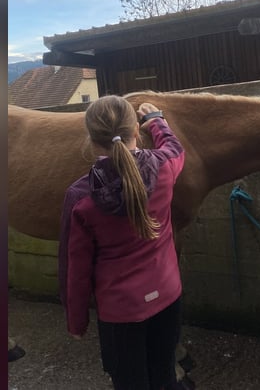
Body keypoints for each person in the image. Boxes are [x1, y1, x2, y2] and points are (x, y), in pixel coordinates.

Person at [58, 95, 186, 390]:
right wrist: (157, 120)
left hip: (121, 313)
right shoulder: (165, 167)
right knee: (165, 374)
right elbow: (175, 148)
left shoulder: (80, 199)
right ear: (135, 132)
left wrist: (76, 321)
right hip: (168, 297)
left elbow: (76, 268)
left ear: (91, 140)